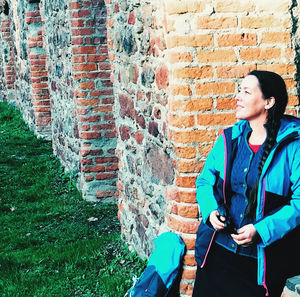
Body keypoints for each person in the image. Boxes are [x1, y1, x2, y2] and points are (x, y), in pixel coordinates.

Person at [192, 70, 300, 297]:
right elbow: (204, 180)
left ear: (268, 102)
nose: (238, 97)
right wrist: (210, 210)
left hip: (260, 261)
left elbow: (298, 203)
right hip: (217, 250)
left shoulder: (293, 146)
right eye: (239, 90)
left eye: (246, 91)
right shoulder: (229, 138)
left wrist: (260, 230)